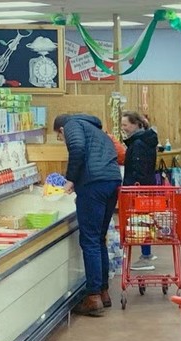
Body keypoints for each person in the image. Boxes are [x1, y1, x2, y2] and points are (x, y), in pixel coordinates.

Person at [54, 113, 122, 316]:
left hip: (94, 184)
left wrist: (71, 179)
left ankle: (93, 297)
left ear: (62, 129)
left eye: (60, 137)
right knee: (99, 238)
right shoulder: (95, 130)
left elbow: (77, 148)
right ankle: (103, 291)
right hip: (111, 181)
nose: (62, 140)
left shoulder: (72, 124)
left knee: (90, 239)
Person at [120, 111, 160, 271]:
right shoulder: (146, 140)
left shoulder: (137, 144)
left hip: (138, 190)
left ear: (136, 124)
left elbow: (138, 169)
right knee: (146, 220)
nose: (123, 128)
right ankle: (147, 253)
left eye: (125, 125)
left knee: (141, 222)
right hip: (147, 186)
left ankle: (146, 257)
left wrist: (134, 188)